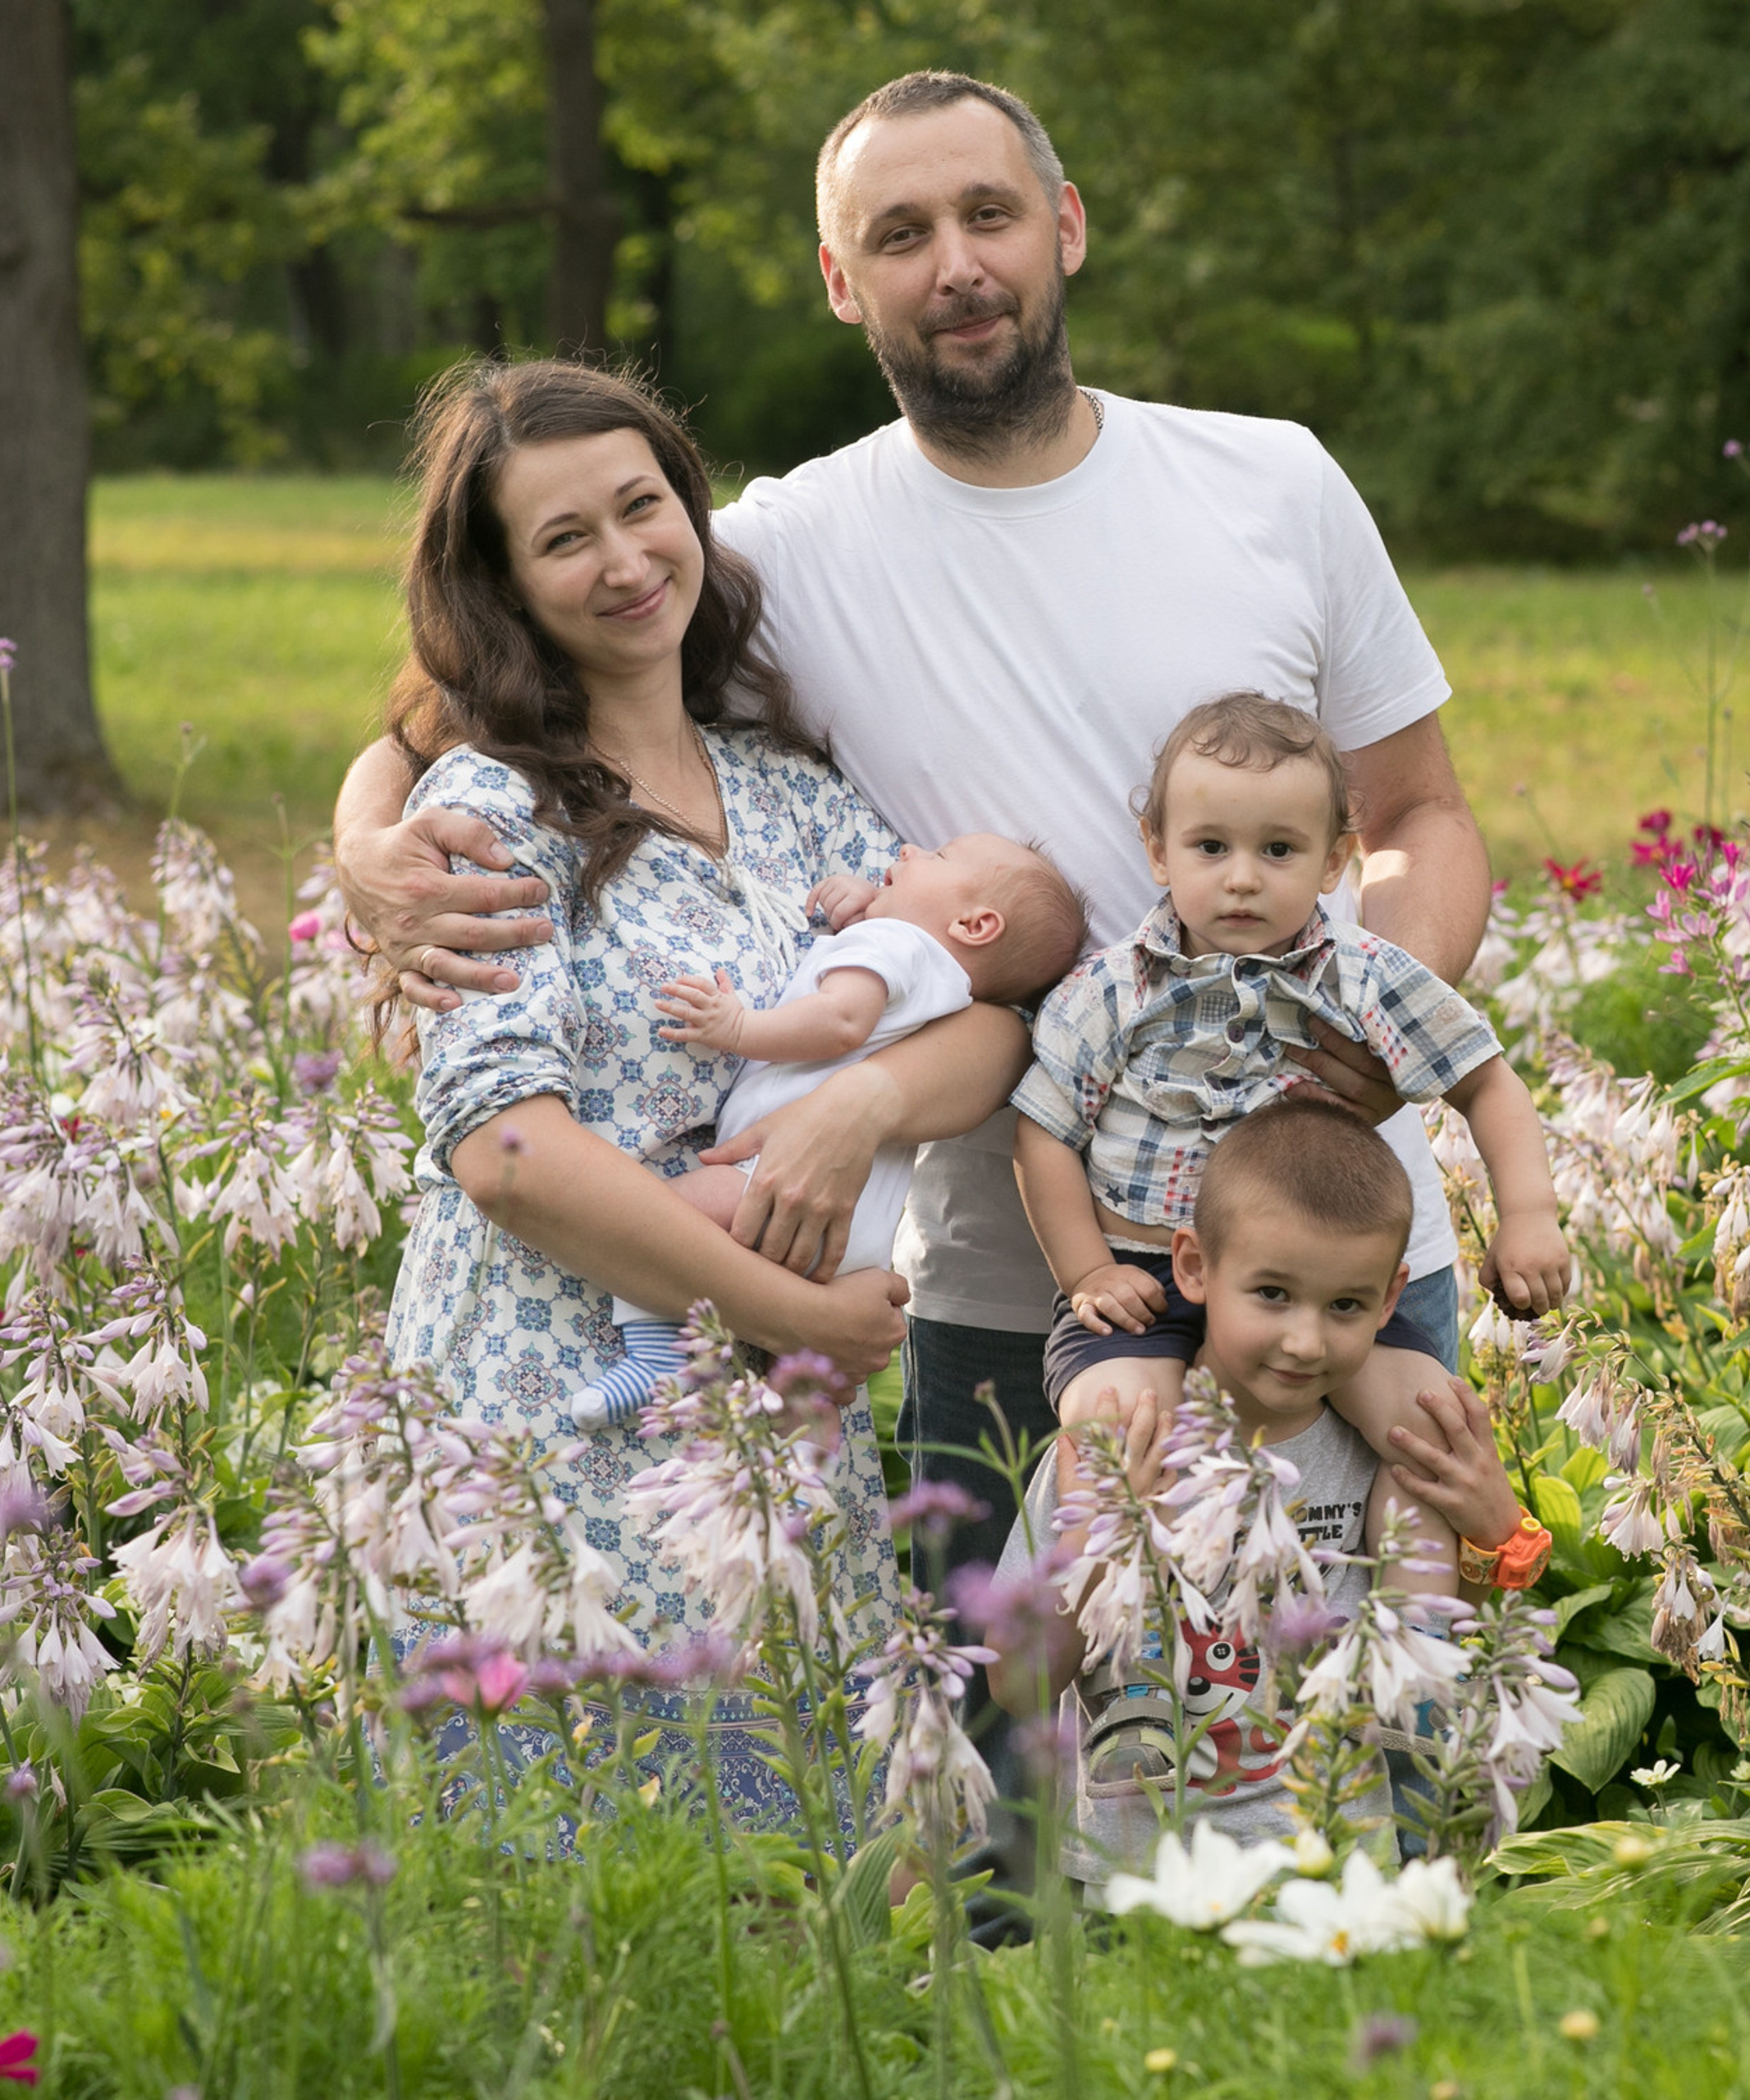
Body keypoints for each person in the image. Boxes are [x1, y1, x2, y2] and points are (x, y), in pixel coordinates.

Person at [331, 71, 1496, 1612]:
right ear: (840, 280)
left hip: (1336, 1256)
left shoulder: (1272, 480)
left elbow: (1420, 813)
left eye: (989, 213)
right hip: (1019, 1285)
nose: (955, 262)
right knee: (1014, 1779)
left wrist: (1355, 1038)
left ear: (1064, 228)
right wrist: (363, 846)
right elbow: (460, 693)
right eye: (899, 232)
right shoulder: (778, 550)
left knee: (1377, 1707)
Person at [370, 358, 1026, 1799]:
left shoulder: (793, 786)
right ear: (505, 588)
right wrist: (794, 1315)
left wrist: (863, 1104)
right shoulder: (491, 808)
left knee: (795, 1918)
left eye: (641, 505)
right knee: (573, 1915)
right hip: (554, 1432)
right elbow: (507, 1154)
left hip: (784, 1449)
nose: (623, 561)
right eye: (563, 539)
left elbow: (985, 1023)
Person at [1013, 693, 1570, 1594]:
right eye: (1210, 847)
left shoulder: (1364, 977)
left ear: (1334, 860)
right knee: (1120, 1430)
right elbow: (1042, 1133)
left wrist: (1530, 1216)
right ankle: (1136, 1648)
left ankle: (1409, 1657)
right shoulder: (1109, 991)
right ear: (1157, 848)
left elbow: (1486, 1082)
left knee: (1427, 1425)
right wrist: (1083, 1274)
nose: (1241, 878)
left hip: (1310, 1292)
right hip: (1141, 1287)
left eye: (1278, 850)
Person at [989, 1100, 1533, 1886]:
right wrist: (1104, 1540)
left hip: (1340, 1872)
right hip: (1136, 1886)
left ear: (1390, 1301)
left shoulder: (1387, 1461)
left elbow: (1446, 1650)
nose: (1305, 1341)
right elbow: (1018, 1685)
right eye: (1272, 1293)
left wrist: (1491, 1533)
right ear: (1193, 1268)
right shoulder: (1114, 1448)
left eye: (1345, 1305)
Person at [572, 833, 1086, 1428]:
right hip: (850, 1231)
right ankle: (804, 1437)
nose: (912, 851)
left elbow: (842, 1020)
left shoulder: (896, 943)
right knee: (790, 1410)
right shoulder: (937, 979)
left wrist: (738, 1026)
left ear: (975, 924)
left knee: (658, 1215)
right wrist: (870, 901)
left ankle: (660, 1356)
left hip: (773, 1182)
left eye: (938, 858)